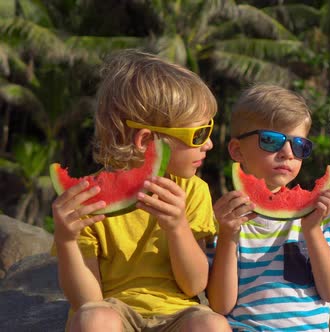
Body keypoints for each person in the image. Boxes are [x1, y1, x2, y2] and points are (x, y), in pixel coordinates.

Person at [51, 49, 230, 332]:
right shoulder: (87, 201)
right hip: (114, 311)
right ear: (147, 139)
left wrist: (178, 227)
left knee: (212, 324)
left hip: (178, 314)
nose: (209, 144)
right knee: (93, 320)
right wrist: (66, 241)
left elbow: (195, 284)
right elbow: (86, 300)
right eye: (199, 134)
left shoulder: (194, 190)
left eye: (209, 129)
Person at [206, 84, 330, 331]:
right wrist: (228, 235)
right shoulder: (227, 219)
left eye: (299, 146)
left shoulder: (319, 217)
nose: (287, 153)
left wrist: (313, 231)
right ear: (237, 150)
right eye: (271, 141)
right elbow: (220, 305)